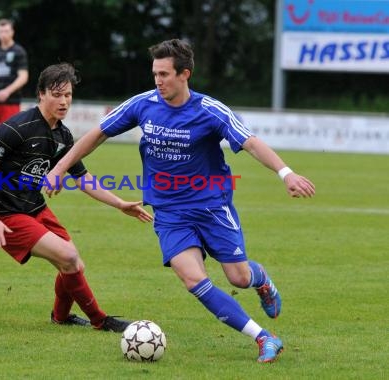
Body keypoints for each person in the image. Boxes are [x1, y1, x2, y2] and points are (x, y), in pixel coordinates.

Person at [45, 39, 316, 363]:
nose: (157, 81)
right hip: (170, 212)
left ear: (184, 74)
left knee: (238, 277)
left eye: (164, 74)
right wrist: (60, 168)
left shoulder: (208, 110)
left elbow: (251, 142)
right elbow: (97, 134)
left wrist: (286, 173)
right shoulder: (143, 104)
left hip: (212, 207)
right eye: (155, 73)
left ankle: (262, 282)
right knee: (193, 279)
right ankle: (264, 338)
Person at [0, 63, 153, 332]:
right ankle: (100, 320)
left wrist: (119, 204)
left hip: (34, 207)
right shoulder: (18, 127)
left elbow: (83, 178)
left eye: (68, 95)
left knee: (73, 262)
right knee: (68, 256)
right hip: (5, 213)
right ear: (41, 94)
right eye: (57, 94)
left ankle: (61, 317)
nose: (64, 101)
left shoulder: (63, 135)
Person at [0, 18, 29, 152]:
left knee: (8, 137)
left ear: (12, 32)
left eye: (6, 31)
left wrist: (7, 91)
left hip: (11, 101)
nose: (3, 34)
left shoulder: (19, 51)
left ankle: (5, 167)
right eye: (1, 31)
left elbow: (23, 77)